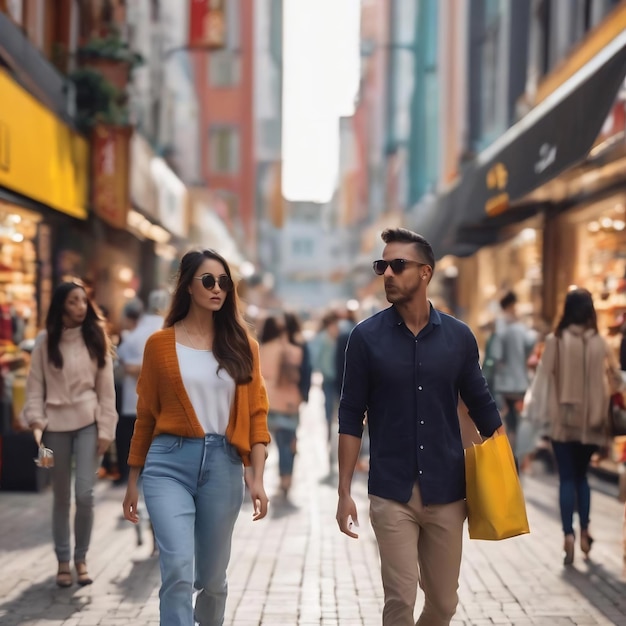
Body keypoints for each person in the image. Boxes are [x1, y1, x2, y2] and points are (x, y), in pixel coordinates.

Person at [336, 228, 504, 626]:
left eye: (398, 265)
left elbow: (481, 402)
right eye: (383, 266)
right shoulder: (365, 338)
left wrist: (503, 467)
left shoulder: (460, 338)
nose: (388, 274)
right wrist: (344, 492)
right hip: (391, 491)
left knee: (444, 603)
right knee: (400, 601)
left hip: (448, 490)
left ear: (425, 273)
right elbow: (350, 415)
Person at [122, 249, 270, 626]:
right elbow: (146, 415)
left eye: (224, 282)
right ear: (188, 286)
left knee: (214, 581)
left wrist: (257, 475)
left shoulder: (243, 346)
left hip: (222, 466)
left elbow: (256, 415)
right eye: (208, 281)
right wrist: (133, 479)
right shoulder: (160, 345)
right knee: (178, 570)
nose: (217, 288)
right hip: (167, 463)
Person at [21, 281, 118, 587]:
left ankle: (82, 558)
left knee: (86, 495)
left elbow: (106, 391)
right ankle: (63, 561)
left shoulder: (95, 339)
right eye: (74, 301)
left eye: (84, 301)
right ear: (61, 305)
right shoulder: (44, 344)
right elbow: (34, 390)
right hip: (54, 428)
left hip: (89, 423)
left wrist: (106, 429)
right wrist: (36, 422)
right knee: (61, 497)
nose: (82, 306)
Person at [532, 288, 622, 565]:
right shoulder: (601, 343)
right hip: (592, 422)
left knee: (566, 478)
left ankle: (568, 535)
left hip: (562, 421)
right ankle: (585, 531)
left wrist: (540, 415)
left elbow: (542, 381)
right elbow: (618, 378)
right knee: (583, 478)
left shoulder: (555, 341)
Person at [114, 295, 165, 486]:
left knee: (130, 436)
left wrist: (136, 368)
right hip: (156, 399)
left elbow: (122, 361)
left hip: (136, 398)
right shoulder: (166, 327)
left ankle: (128, 475)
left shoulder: (138, 334)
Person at [259, 313, 306, 499]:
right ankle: (286, 478)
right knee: (287, 443)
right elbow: (299, 359)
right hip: (288, 401)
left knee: (272, 442)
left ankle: (268, 476)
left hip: (268, 400)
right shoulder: (288, 349)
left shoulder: (261, 349)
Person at [491, 291, 537, 464]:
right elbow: (530, 342)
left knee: (508, 421)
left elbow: (496, 355)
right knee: (518, 421)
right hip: (520, 382)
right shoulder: (519, 325)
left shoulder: (501, 324)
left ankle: (509, 457)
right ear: (511, 305)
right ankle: (517, 455)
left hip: (505, 384)